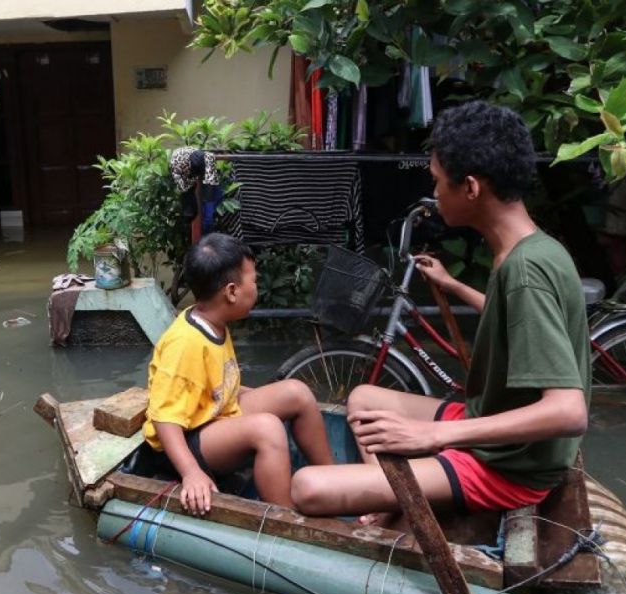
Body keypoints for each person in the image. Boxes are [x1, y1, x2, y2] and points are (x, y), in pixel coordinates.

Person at [290, 100, 591, 523]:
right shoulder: (534, 248)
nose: (434, 195)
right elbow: (519, 322)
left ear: (470, 187)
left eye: (437, 183)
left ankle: (395, 497)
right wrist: (453, 286)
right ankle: (395, 498)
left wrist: (434, 435)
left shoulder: (525, 270)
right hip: (490, 423)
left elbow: (568, 411)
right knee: (363, 398)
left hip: (509, 467)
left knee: (307, 487)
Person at [141, 233, 335, 515]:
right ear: (231, 292)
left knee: (296, 392)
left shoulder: (214, 320)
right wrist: (191, 473)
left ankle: (333, 481)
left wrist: (267, 398)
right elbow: (164, 419)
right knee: (267, 428)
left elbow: (220, 383)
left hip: (214, 415)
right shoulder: (184, 344)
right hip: (187, 442)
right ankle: (287, 518)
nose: (256, 287)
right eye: (253, 281)